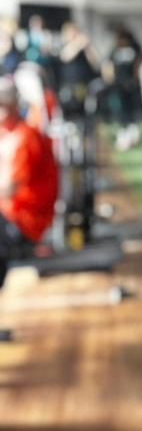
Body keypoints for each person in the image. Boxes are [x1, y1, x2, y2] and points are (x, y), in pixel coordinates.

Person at [0, 75, 60, 289]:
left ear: (12, 107)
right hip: (10, 215)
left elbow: (9, 189)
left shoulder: (25, 138)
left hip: (25, 220)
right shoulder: (7, 134)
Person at [104, 24, 142, 150]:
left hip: (132, 84)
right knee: (121, 110)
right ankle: (124, 135)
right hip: (119, 85)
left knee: (133, 110)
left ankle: (133, 134)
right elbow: (109, 64)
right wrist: (110, 79)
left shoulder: (135, 48)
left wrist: (136, 77)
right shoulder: (115, 49)